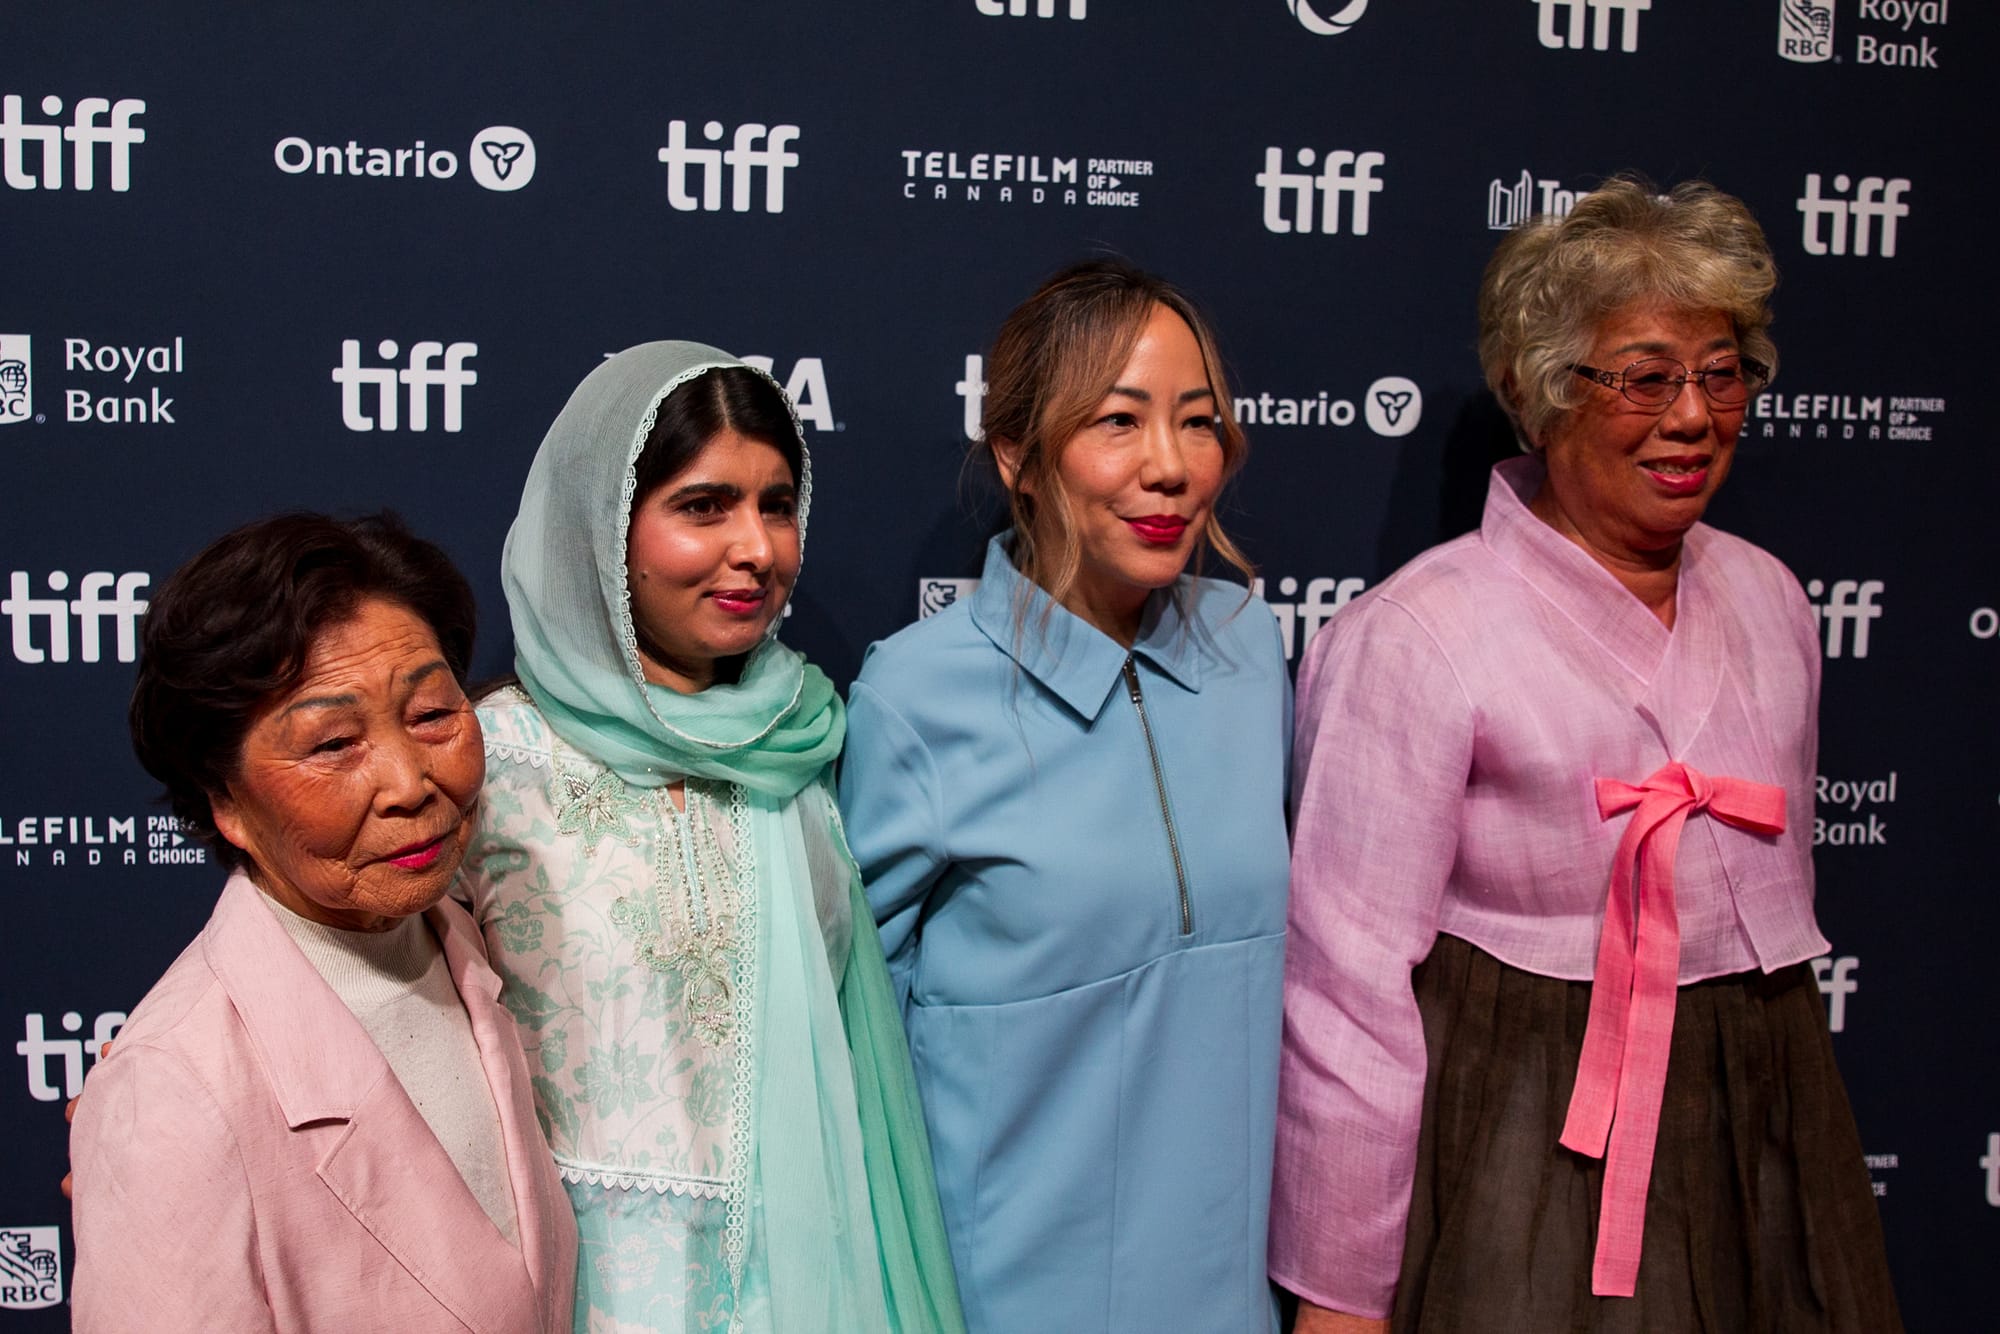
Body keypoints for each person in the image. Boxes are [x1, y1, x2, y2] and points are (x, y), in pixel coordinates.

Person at [1272, 178, 1902, 1333]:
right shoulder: (1413, 636)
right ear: (1542, 391)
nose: (1691, 415)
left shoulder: (1768, 599)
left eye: (1721, 372)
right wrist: (1339, 1293)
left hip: (1764, 1122)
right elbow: (1346, 997)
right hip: (1525, 1138)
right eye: (1645, 376)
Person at [461, 341, 963, 1333]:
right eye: (703, 506)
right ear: (603, 524)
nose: (757, 548)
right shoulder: (494, 763)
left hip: (801, 1288)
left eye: (776, 504)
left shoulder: (807, 743)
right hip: (577, 1291)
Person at [839, 260, 1292, 1333]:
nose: (1170, 466)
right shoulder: (915, 693)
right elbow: (857, 1046)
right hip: (999, 1295)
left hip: (1225, 1294)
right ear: (1018, 456)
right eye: (1118, 422)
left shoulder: (1246, 648)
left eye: (1196, 421)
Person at [70, 514, 577, 1334]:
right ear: (225, 801)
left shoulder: (471, 942)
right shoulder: (174, 1089)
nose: (410, 783)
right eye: (335, 743)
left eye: (430, 715)